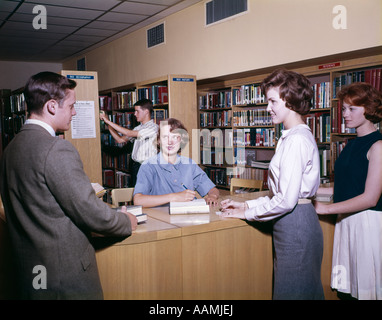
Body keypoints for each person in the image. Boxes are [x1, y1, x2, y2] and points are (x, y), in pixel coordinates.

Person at [0, 72, 137, 300]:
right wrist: (126, 221)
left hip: (32, 274)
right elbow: (90, 212)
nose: (74, 112)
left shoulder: (11, 148)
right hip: (65, 279)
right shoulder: (56, 149)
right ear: (52, 106)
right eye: (72, 106)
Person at [220, 69, 324, 300]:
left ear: (290, 100)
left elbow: (286, 200)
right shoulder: (292, 136)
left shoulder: (296, 140)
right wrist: (246, 206)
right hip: (296, 220)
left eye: (272, 101)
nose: (268, 108)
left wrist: (247, 214)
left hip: (295, 224)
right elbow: (282, 193)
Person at [315, 82, 382, 300]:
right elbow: (346, 186)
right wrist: (310, 195)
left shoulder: (378, 146)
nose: (344, 114)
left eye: (351, 109)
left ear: (369, 109)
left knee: (365, 290)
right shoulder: (350, 145)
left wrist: (325, 209)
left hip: (367, 225)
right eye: (343, 109)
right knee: (347, 292)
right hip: (347, 221)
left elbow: (370, 198)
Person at [133, 118, 219, 208]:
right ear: (158, 140)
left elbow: (212, 189)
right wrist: (174, 197)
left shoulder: (189, 164)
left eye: (175, 137)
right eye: (165, 137)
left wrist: (213, 196)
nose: (170, 142)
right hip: (161, 218)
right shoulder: (149, 165)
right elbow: (138, 200)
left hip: (187, 217)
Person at [100, 98, 158, 186]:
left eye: (137, 111)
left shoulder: (153, 128)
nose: (135, 114)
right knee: (137, 193)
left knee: (144, 194)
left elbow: (128, 133)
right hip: (136, 166)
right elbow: (120, 140)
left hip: (147, 167)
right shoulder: (138, 128)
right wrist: (108, 124)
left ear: (146, 111)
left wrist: (108, 121)